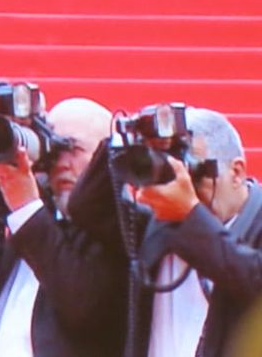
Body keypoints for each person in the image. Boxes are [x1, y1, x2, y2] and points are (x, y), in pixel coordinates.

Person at [69, 106, 262, 357]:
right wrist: (127, 139)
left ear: (235, 173)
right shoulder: (157, 225)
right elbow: (87, 207)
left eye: (193, 174)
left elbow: (252, 278)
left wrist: (190, 215)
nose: (183, 189)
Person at [0, 91, 126, 357]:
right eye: (54, 149)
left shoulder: (118, 227)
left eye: (74, 149)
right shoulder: (36, 204)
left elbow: (82, 306)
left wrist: (26, 207)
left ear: (106, 158)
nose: (61, 163)